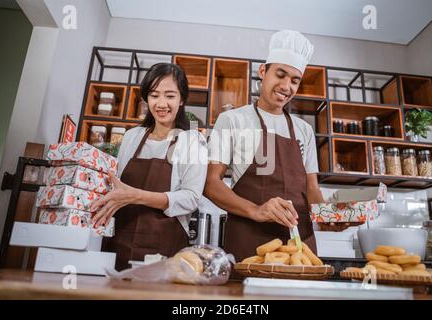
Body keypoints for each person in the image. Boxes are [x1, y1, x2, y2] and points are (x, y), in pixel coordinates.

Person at [204, 30, 324, 261]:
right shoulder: (232, 120)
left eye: (294, 80)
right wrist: (256, 210)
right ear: (263, 72)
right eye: (280, 74)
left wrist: (328, 217)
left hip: (298, 245)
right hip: (249, 242)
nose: (286, 86)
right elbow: (210, 183)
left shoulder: (304, 130)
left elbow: (312, 189)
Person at [90, 63, 208, 270]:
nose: (161, 103)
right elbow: (116, 187)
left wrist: (135, 195)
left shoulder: (193, 141)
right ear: (146, 98)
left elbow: (191, 198)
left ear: (182, 99)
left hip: (163, 246)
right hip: (117, 240)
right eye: (154, 95)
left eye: (170, 96)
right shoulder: (131, 137)